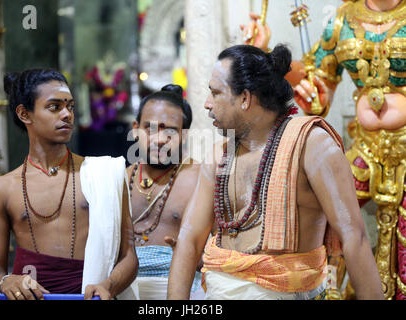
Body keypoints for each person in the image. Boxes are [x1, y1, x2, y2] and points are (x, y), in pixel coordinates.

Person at [167, 44, 384, 300]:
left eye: (215, 93)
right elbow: (189, 238)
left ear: (245, 98)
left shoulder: (311, 145)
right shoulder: (217, 156)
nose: (206, 104)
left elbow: (354, 237)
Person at [0, 69, 138, 300]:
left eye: (71, 107)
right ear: (25, 114)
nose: (67, 115)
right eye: (54, 107)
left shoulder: (105, 173)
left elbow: (129, 257)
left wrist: (108, 286)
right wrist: (7, 281)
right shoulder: (0, 189)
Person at [290, 0, 406, 300]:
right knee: (327, 214)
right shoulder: (342, 20)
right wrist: (312, 98)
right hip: (365, 148)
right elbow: (321, 83)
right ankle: (326, 291)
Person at [127, 84, 204, 300]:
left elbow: (220, 251)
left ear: (184, 135)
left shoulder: (201, 179)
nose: (160, 139)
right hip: (122, 288)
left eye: (170, 131)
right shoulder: (119, 178)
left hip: (182, 289)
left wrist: (194, 255)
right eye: (150, 129)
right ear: (135, 129)